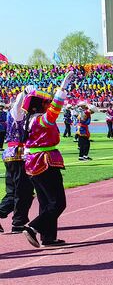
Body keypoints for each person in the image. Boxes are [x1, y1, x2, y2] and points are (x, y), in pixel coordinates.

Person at [23, 70, 75, 247]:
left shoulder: (29, 119)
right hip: (44, 162)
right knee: (58, 203)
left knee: (46, 202)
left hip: (36, 162)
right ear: (38, 106)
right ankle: (33, 228)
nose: (49, 104)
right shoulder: (39, 120)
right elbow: (53, 113)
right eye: (46, 102)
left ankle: (49, 237)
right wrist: (62, 90)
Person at [0, 89, 36, 234]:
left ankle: (17, 220)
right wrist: (24, 93)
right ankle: (19, 222)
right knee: (24, 191)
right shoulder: (17, 114)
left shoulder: (21, 116)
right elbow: (18, 105)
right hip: (18, 155)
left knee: (13, 192)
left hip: (12, 155)